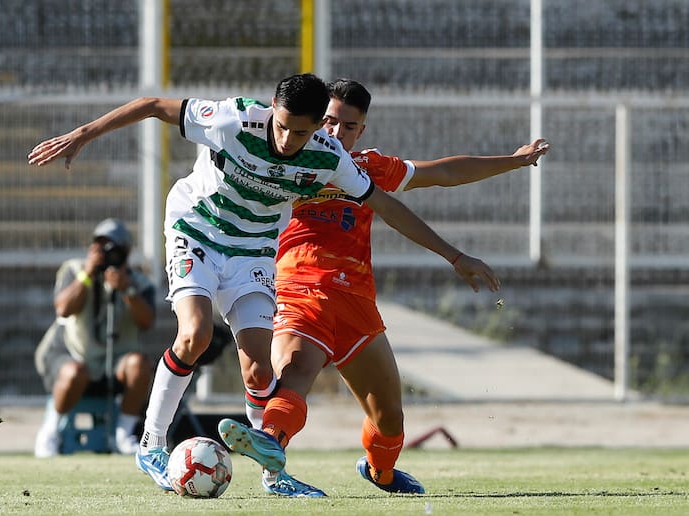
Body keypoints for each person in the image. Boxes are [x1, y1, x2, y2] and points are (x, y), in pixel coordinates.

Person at [28, 73, 497, 491]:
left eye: (302, 131)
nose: (290, 139)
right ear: (272, 109)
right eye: (283, 125)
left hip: (253, 250)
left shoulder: (328, 155)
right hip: (198, 231)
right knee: (195, 334)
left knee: (257, 370)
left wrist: (454, 256)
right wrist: (83, 134)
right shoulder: (231, 119)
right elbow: (153, 105)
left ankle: (274, 475)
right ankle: (150, 444)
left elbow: (386, 205)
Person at [220, 78, 549, 496]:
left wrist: (515, 162)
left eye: (348, 126)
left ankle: (381, 472)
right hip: (301, 286)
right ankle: (271, 445)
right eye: (329, 123)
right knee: (297, 370)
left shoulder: (367, 168)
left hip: (356, 299)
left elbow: (444, 172)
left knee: (389, 417)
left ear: (362, 131)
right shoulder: (285, 164)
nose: (336, 133)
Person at [33, 218, 156, 458]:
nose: (108, 253)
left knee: (140, 364)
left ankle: (124, 433)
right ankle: (50, 430)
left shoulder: (139, 283)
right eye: (102, 246)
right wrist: (88, 274)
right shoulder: (74, 270)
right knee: (73, 372)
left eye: (114, 248)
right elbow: (63, 309)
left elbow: (147, 322)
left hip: (117, 362)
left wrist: (127, 289)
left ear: (127, 251)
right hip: (75, 355)